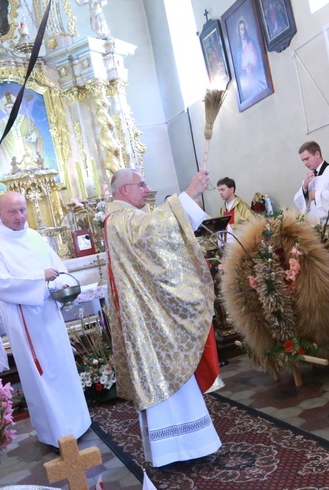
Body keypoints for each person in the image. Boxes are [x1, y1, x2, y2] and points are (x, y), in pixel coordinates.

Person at [104, 168, 223, 467]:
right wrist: (190, 193)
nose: (147, 189)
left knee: (170, 376)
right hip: (149, 321)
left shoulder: (127, 217)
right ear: (123, 190)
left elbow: (158, 231)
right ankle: (180, 449)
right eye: (141, 185)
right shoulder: (120, 219)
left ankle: (186, 447)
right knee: (164, 376)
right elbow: (155, 231)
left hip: (151, 314)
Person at [0, 191, 91, 448]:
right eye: (12, 212)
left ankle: (78, 423)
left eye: (22, 210)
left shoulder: (36, 237)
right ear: (0, 214)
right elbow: (0, 286)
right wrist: (40, 278)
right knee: (40, 375)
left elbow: (59, 269)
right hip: (24, 316)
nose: (19, 217)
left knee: (62, 366)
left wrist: (58, 283)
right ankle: (56, 434)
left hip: (49, 312)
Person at [293, 141, 329, 224]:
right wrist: (305, 188)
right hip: (317, 226)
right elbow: (299, 202)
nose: (305, 163)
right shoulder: (309, 178)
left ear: (317, 154)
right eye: (303, 160)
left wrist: (316, 195)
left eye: (307, 159)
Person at [0, 91, 44, 175]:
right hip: (11, 155)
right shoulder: (2, 123)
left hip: (28, 155)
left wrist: (33, 135)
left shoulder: (25, 119)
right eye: (8, 107)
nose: (11, 109)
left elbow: (35, 130)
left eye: (13, 106)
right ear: (5, 109)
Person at [237, 18, 265, 101]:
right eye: (241, 29)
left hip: (255, 74)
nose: (243, 31)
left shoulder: (251, 43)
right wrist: (244, 68)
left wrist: (251, 66)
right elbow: (239, 66)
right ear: (239, 31)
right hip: (247, 79)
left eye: (244, 29)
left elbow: (256, 59)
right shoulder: (239, 50)